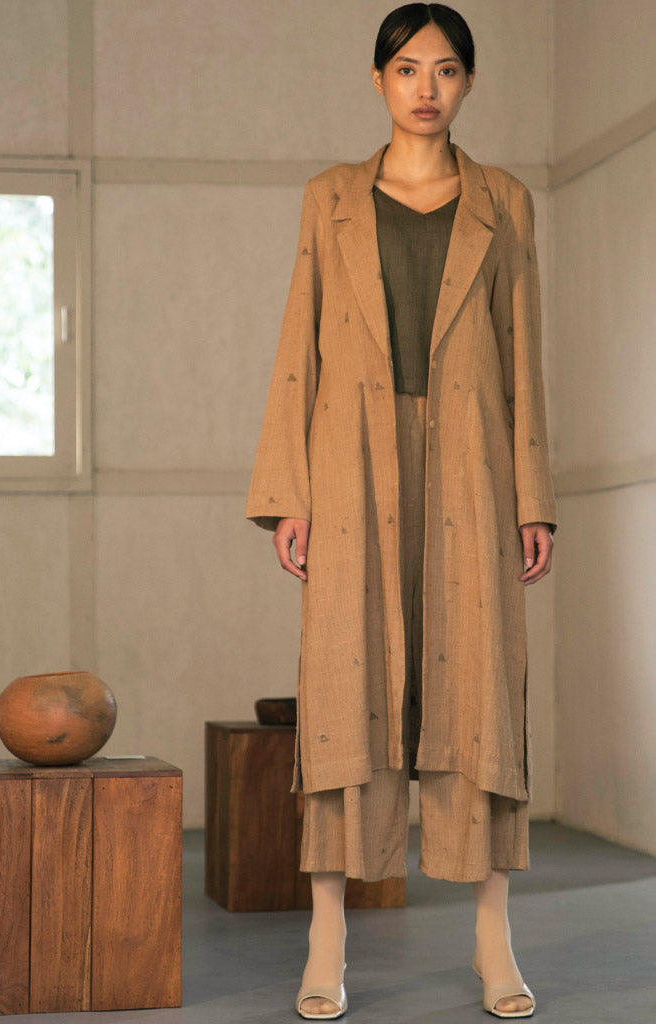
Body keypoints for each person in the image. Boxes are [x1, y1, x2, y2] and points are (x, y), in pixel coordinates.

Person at [246, 3, 556, 1019]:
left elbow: (522, 354)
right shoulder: (329, 198)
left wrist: (534, 498)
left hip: (472, 460)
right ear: (378, 78)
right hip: (350, 464)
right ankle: (327, 939)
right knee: (348, 685)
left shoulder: (504, 200)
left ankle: (492, 937)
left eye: (448, 69)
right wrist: (287, 494)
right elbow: (300, 344)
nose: (428, 87)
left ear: (467, 83)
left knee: (479, 690)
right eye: (409, 68)